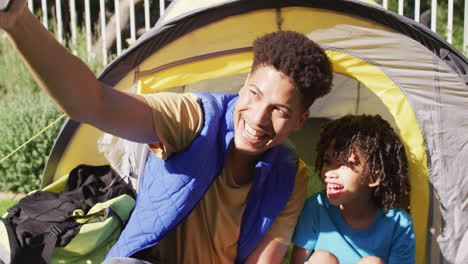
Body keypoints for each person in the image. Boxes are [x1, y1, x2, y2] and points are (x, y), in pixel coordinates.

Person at [0, 1, 333, 263]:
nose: (258, 118)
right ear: (244, 85)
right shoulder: (195, 118)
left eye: (279, 110)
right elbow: (94, 102)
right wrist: (17, 21)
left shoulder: (291, 176)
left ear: (300, 121)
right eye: (255, 94)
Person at [291, 115, 416, 264]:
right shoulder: (316, 206)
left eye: (346, 164)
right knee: (322, 258)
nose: (330, 173)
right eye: (327, 161)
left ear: (373, 177)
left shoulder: (400, 225)